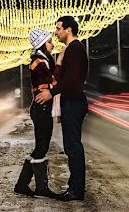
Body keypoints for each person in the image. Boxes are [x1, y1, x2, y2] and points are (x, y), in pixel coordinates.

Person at [34, 15, 88, 202]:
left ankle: (76, 190)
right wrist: (59, 63)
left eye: (58, 29)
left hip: (73, 102)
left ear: (68, 30)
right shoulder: (70, 49)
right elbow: (61, 78)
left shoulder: (74, 48)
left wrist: (52, 92)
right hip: (71, 102)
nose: (56, 33)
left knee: (73, 147)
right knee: (71, 146)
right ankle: (74, 187)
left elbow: (71, 79)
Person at [14, 28, 60, 199]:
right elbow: (53, 81)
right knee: (42, 147)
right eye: (49, 42)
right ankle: (40, 188)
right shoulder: (39, 61)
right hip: (41, 109)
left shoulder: (43, 59)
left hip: (42, 108)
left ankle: (22, 185)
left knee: (41, 146)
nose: (52, 44)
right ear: (41, 44)